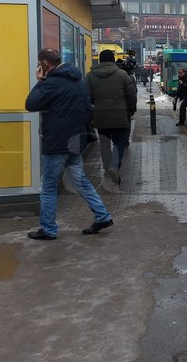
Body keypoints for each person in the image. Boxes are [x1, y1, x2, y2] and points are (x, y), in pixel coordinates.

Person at [25, 48, 114, 240]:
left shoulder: (50, 84)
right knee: (81, 181)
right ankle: (102, 216)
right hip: (76, 142)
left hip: (57, 144)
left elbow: (31, 104)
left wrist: (40, 81)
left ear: (45, 64)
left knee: (48, 187)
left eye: (40, 64)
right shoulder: (78, 82)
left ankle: (48, 229)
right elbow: (86, 110)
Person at [86, 49, 138, 184]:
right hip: (119, 116)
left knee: (104, 143)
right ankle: (115, 167)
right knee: (119, 142)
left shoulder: (90, 76)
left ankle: (106, 167)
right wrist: (131, 110)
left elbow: (87, 97)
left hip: (100, 116)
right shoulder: (122, 75)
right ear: (113, 60)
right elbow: (131, 95)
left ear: (99, 60)